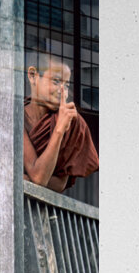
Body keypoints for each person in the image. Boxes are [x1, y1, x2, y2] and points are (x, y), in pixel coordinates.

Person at [23, 54, 99, 192]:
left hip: (46, 210)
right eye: (56, 81)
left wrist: (59, 129)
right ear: (33, 76)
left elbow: (57, 183)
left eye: (67, 84)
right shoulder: (15, 115)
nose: (63, 91)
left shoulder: (71, 120)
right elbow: (39, 177)